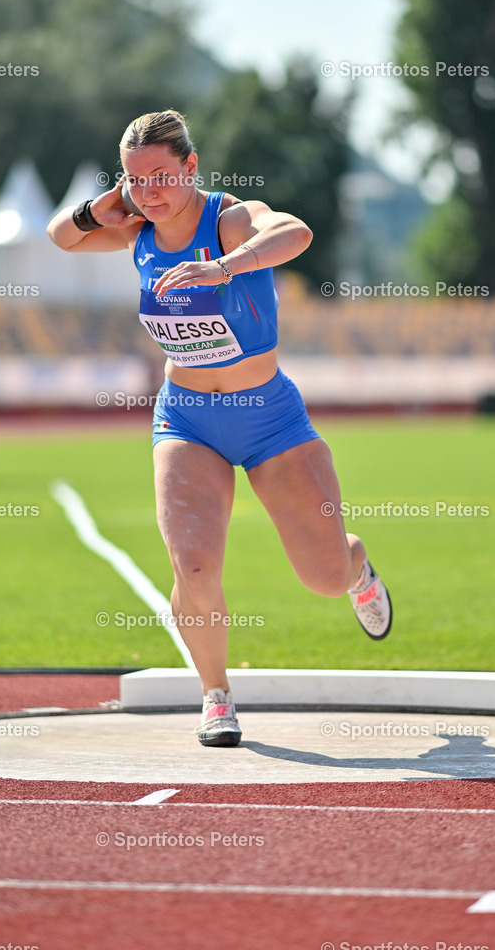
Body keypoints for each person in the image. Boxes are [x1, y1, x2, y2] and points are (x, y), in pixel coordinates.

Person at [47, 109, 392, 748]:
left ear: (191, 167)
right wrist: (106, 207)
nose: (149, 191)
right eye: (135, 179)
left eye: (160, 175)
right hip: (186, 418)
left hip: (270, 420)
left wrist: (225, 267)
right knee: (195, 568)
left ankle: (358, 567)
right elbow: (60, 237)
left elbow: (297, 232)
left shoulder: (229, 219)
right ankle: (215, 695)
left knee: (323, 576)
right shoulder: (135, 231)